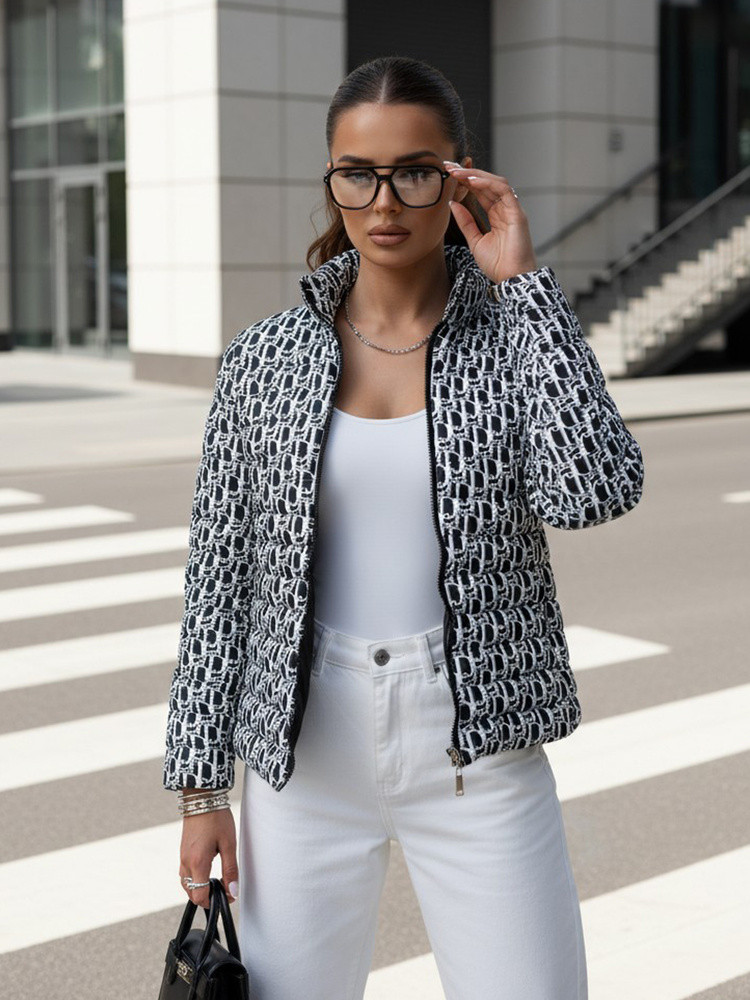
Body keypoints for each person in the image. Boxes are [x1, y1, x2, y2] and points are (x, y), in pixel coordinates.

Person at [163, 55, 645, 1000]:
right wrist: (203, 791)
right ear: (332, 182)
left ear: (460, 179)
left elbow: (593, 490)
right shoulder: (264, 359)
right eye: (358, 174)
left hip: (480, 753)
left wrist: (525, 285)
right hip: (304, 758)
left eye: (415, 172)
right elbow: (218, 581)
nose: (385, 202)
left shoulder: (510, 338)